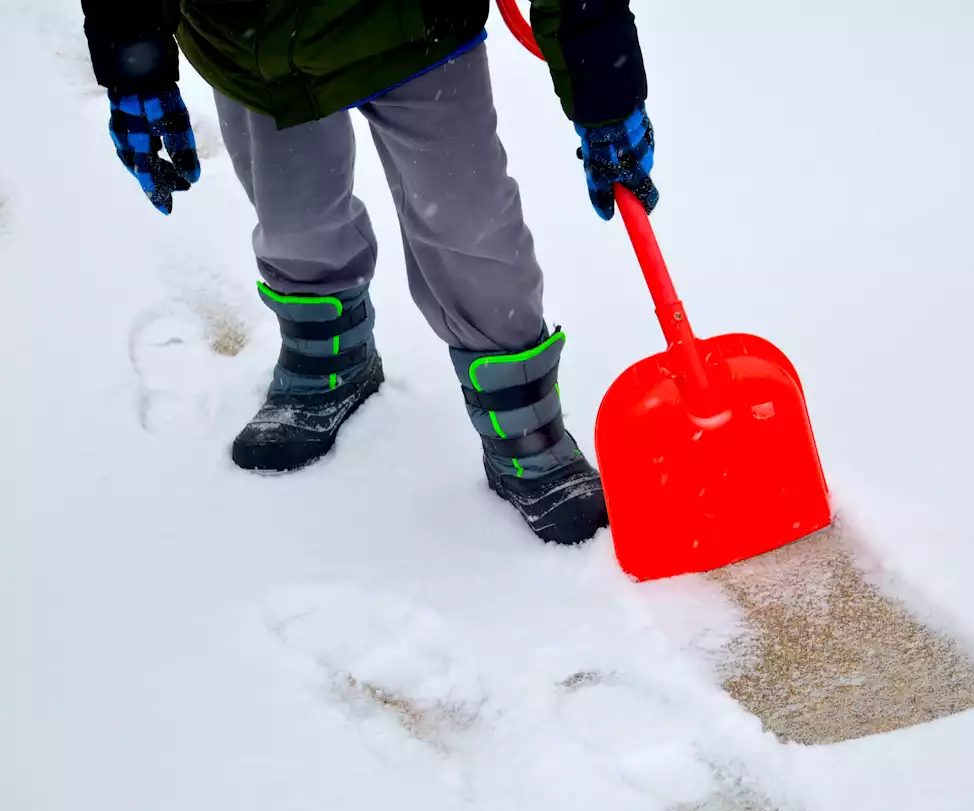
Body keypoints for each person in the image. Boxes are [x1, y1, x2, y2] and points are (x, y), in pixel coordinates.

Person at [79, 1, 658, 546]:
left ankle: (521, 417)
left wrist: (606, 89)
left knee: (471, 230)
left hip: (415, 27)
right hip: (247, 34)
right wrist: (134, 54)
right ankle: (329, 358)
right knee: (293, 218)